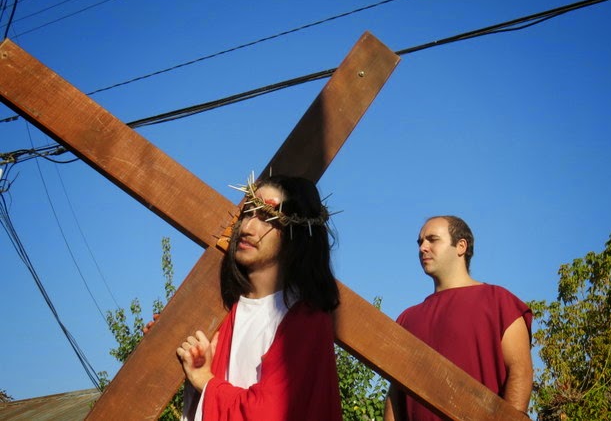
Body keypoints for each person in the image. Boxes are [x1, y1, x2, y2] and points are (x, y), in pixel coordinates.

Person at [176, 174, 343, 421]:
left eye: (267, 217)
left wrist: (206, 381)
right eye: (248, 213)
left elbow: (269, 412)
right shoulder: (224, 314)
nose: (247, 228)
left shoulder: (307, 319)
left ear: (296, 232)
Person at [384, 215, 533, 420]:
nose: (423, 248)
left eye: (432, 240)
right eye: (420, 242)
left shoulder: (499, 301)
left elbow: (520, 371)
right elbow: (395, 394)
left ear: (461, 246)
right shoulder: (406, 318)